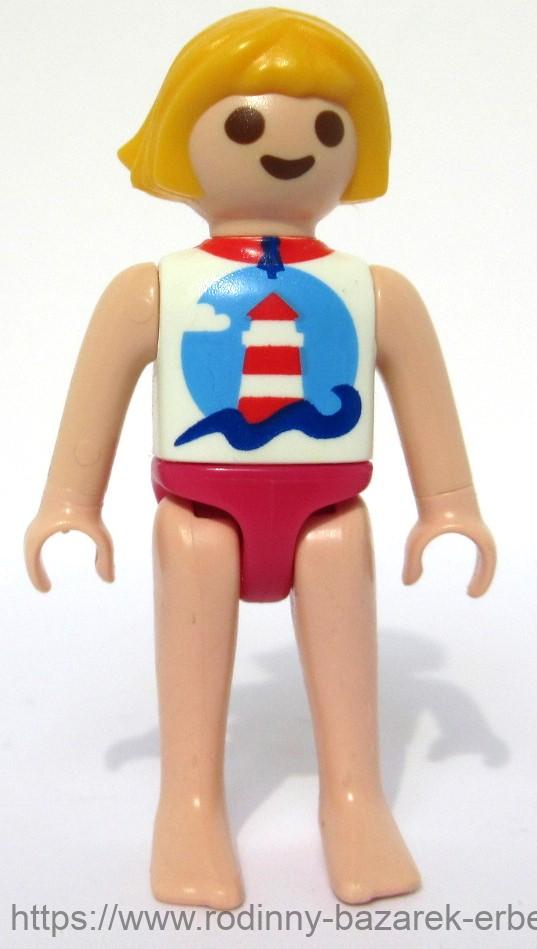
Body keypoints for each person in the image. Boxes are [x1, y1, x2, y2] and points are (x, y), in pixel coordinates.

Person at [24, 8, 496, 908]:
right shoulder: (150, 289)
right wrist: (69, 502)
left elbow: (426, 406)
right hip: (198, 508)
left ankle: (354, 798)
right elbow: (94, 403)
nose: (292, 146)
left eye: (329, 126)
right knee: (195, 559)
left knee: (337, 554)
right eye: (243, 124)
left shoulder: (378, 293)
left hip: (328, 509)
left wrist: (449, 505)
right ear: (182, 137)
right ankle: (188, 801)